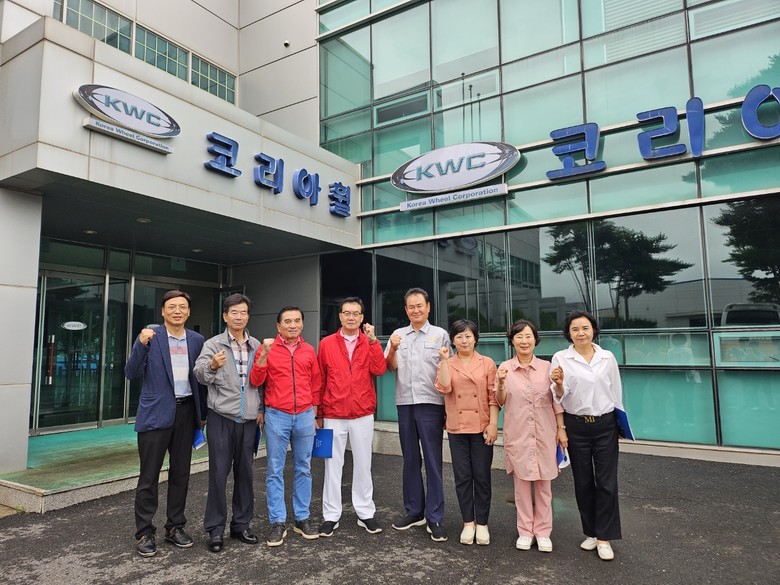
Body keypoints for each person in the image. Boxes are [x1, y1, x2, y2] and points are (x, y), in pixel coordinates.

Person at [125, 290, 207, 557]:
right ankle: (144, 532)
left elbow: (199, 381)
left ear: (189, 312)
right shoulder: (150, 336)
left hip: (186, 413)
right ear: (163, 311)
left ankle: (175, 527)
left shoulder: (196, 340)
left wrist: (202, 415)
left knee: (181, 474)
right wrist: (140, 344)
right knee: (149, 476)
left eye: (182, 307)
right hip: (156, 413)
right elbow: (131, 372)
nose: (177, 311)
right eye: (172, 307)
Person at [550, 310, 624, 561]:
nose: (580, 333)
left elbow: (616, 392)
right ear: (568, 333)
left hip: (605, 425)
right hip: (576, 426)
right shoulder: (561, 358)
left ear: (593, 330)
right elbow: (558, 395)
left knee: (606, 482)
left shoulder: (607, 357)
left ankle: (604, 537)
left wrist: (620, 424)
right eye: (575, 329)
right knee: (583, 482)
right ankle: (591, 532)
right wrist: (559, 383)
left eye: (585, 328)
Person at [194, 293, 263, 553]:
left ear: (248, 316)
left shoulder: (256, 345)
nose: (239, 317)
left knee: (245, 474)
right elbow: (199, 375)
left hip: (249, 420)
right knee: (218, 474)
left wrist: (262, 409)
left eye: (243, 312)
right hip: (221, 418)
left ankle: (241, 525)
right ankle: (215, 529)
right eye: (234, 312)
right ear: (225, 316)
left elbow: (264, 380)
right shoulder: (213, 344)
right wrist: (212, 366)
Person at [249, 306, 322, 547]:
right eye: (287, 321)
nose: (293, 325)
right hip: (277, 415)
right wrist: (264, 354)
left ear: (302, 324)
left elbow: (316, 383)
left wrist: (315, 414)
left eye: (297, 321)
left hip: (304, 415)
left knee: (304, 467)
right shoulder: (267, 349)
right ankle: (277, 521)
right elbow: (256, 380)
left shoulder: (309, 350)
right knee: (274, 469)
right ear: (278, 326)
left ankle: (302, 518)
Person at [315, 297, 387, 537]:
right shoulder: (326, 343)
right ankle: (331, 515)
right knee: (332, 465)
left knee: (364, 464)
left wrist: (374, 341)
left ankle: (365, 512)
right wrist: (318, 413)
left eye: (356, 313)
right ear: (340, 316)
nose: (351, 317)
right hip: (333, 412)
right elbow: (320, 379)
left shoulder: (369, 342)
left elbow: (379, 369)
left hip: (362, 412)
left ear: (362, 318)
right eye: (347, 313)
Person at [386, 287, 451, 542]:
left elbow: (448, 370)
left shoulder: (440, 335)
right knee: (410, 459)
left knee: (433, 461)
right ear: (406, 310)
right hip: (405, 403)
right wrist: (392, 349)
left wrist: (447, 408)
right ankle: (414, 511)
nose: (415, 310)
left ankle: (435, 516)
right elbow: (390, 367)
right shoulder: (398, 335)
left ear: (428, 307)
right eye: (411, 307)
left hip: (431, 404)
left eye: (419, 306)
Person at [496, 320, 566, 553]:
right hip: (519, 434)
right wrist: (502, 383)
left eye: (528, 336)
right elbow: (500, 400)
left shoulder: (547, 367)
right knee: (522, 486)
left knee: (544, 485)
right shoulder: (505, 367)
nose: (524, 341)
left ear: (536, 339)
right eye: (519, 337)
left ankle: (543, 532)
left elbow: (557, 399)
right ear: (512, 341)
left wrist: (561, 428)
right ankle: (525, 531)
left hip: (544, 433)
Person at [434, 319, 498, 546]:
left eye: (468, 335)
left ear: (475, 339)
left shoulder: (487, 363)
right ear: (452, 340)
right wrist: (444, 361)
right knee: (462, 477)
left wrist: (493, 424)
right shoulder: (447, 363)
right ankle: (468, 523)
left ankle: (483, 523)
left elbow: (493, 397)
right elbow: (444, 387)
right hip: (457, 427)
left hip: (481, 426)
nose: (464, 340)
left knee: (482, 476)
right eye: (459, 336)